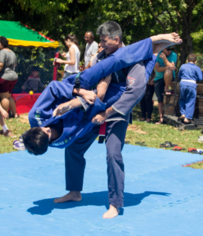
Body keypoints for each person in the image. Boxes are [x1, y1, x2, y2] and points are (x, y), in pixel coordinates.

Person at [22, 24, 182, 219]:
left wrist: (90, 103)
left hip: (116, 108)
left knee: (113, 153)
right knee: (73, 149)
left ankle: (115, 203)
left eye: (105, 43)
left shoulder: (134, 63)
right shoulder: (100, 57)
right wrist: (82, 100)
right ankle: (74, 191)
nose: (102, 47)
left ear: (116, 40)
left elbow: (134, 95)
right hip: (89, 114)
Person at [0, 36, 19, 118]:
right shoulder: (12, 52)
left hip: (4, 77)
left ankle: (4, 116)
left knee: (4, 97)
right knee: (9, 96)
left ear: (2, 44)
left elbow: (1, 64)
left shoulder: (2, 52)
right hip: (13, 76)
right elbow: (15, 64)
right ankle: (15, 114)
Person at [154, 47, 177, 124]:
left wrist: (165, 59)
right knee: (160, 100)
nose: (169, 51)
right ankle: (161, 118)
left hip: (170, 78)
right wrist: (167, 67)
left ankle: (166, 87)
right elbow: (157, 68)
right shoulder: (158, 54)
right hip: (159, 78)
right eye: (167, 49)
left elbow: (171, 66)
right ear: (163, 49)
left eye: (171, 49)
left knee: (168, 71)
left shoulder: (173, 55)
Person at [177, 54, 203, 124]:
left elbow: (179, 75)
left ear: (187, 60)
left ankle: (183, 113)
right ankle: (187, 118)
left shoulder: (182, 66)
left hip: (182, 83)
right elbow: (200, 78)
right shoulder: (197, 68)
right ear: (196, 61)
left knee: (182, 98)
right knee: (190, 101)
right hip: (192, 84)